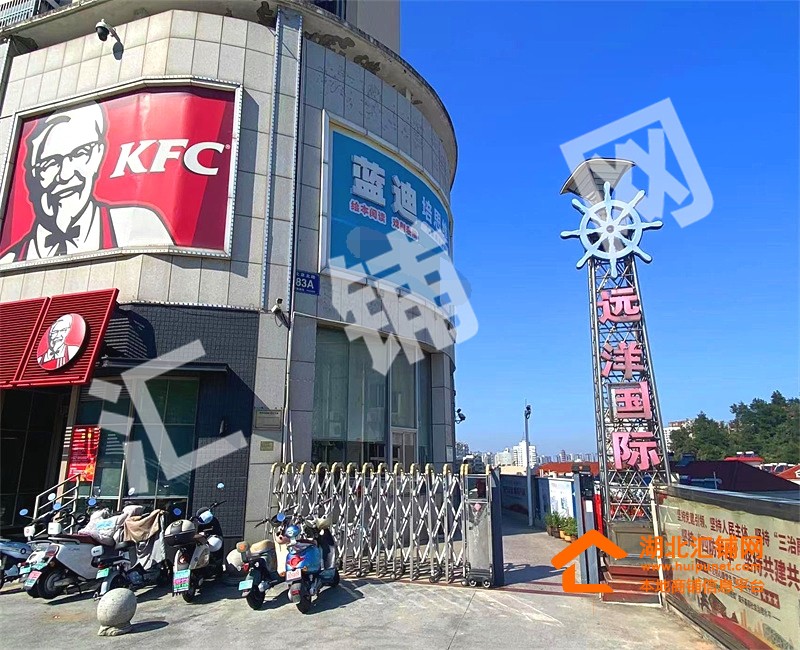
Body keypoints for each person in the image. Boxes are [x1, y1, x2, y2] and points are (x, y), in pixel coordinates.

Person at [0, 102, 173, 263]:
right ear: (33, 173)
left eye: (80, 154)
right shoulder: (8, 261)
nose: (65, 174)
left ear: (98, 155)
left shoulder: (139, 225)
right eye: (50, 162)